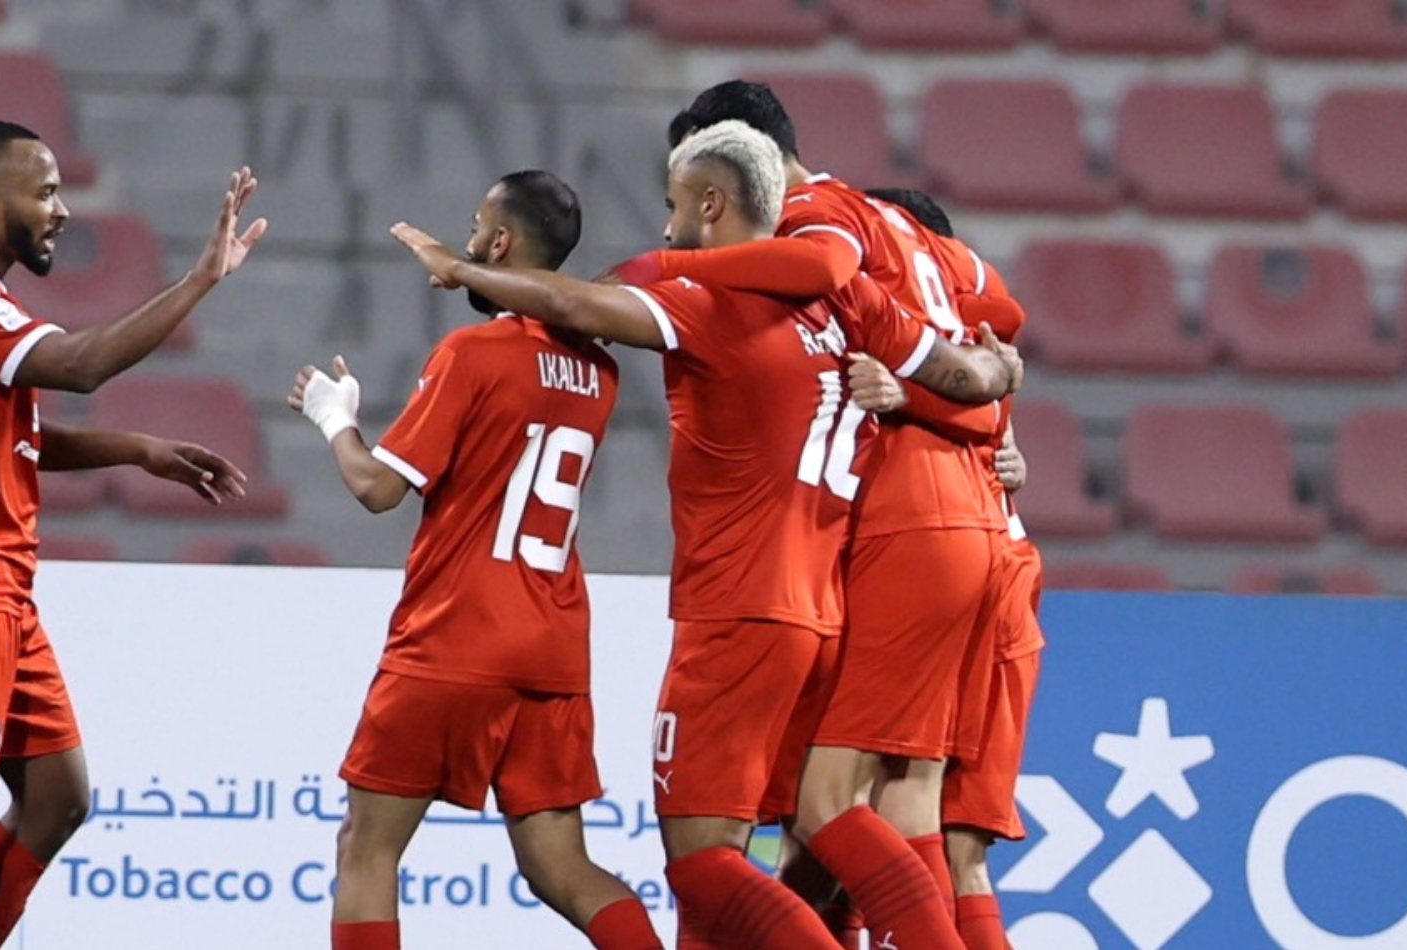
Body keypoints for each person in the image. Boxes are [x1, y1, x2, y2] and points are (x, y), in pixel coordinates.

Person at [391, 121, 1018, 950]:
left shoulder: (713, 299)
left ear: (713, 204)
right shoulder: (852, 299)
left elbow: (576, 303)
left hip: (735, 612)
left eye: (673, 207)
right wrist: (1004, 375)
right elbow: (963, 378)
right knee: (822, 824)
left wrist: (461, 269)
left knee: (701, 860)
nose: (664, 227)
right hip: (823, 614)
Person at [638, 83, 1030, 950]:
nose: (686, 221)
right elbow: (998, 331)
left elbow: (822, 274)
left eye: (688, 195)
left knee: (829, 806)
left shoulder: (816, 218)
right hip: (974, 524)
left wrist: (664, 269)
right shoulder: (913, 232)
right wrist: (988, 411)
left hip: (898, 525)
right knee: (903, 805)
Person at [0, 119, 266, 950]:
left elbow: (7, 439)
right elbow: (83, 364)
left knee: (57, 796)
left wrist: (137, 450)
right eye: (43, 192)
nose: (62, 210)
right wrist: (199, 281)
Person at [290, 170, 665, 950]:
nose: (464, 241)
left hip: (456, 635)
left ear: (498, 243)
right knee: (560, 865)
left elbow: (376, 490)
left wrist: (335, 417)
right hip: (553, 644)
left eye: (473, 225)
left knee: (367, 847)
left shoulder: (472, 353)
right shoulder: (600, 370)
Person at [851, 189, 1046, 950]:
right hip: (1003, 572)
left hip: (955, 568)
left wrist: (902, 397)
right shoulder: (985, 349)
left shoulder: (929, 354)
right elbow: (997, 412)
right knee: (955, 848)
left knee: (885, 804)